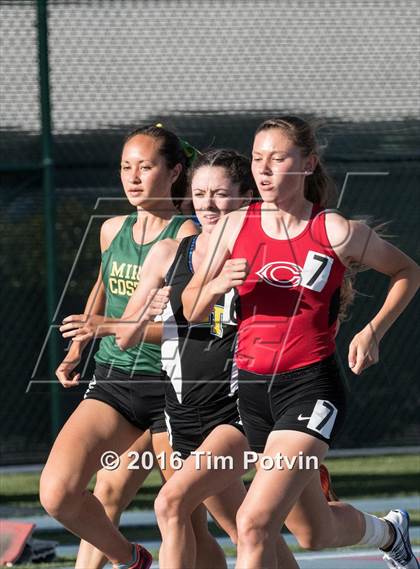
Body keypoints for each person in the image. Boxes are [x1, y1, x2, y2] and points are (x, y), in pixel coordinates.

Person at [182, 116, 420, 569]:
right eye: (256, 159)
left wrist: (373, 329)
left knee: (252, 523)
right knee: (313, 531)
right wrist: (213, 288)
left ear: (307, 163)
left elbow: (408, 272)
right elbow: (192, 307)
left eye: (277, 159)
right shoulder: (232, 226)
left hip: (309, 388)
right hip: (252, 392)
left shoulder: (333, 230)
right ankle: (390, 533)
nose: (264, 169)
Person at [40, 125, 198, 569]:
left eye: (145, 167)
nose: (133, 177)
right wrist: (80, 346)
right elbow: (104, 287)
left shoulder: (188, 237)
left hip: (172, 387)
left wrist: (106, 326)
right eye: (126, 167)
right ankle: (133, 561)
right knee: (59, 492)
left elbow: (185, 326)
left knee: (188, 515)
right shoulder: (113, 230)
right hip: (114, 381)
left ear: (174, 172)